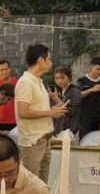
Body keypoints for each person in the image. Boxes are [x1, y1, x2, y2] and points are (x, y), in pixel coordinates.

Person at [14, 44, 65, 181]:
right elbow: (23, 112)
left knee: (42, 184)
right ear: (41, 60)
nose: (51, 63)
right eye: (49, 59)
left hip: (44, 139)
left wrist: (54, 107)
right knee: (31, 184)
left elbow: (38, 109)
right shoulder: (25, 82)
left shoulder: (38, 81)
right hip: (33, 141)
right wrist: (50, 112)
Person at [75, 57, 100, 138]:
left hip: (99, 116)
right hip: (85, 116)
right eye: (98, 69)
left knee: (98, 138)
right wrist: (91, 90)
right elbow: (76, 96)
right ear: (91, 67)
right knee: (84, 138)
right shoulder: (81, 81)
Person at [52, 66, 82, 140]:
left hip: (69, 130)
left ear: (69, 77)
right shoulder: (57, 92)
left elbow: (72, 111)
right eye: (56, 78)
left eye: (62, 78)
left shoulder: (75, 92)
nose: (59, 81)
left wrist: (56, 98)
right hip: (56, 128)